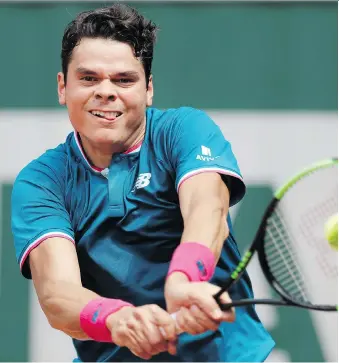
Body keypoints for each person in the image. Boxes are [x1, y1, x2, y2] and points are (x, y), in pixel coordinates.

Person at [11, 3, 275, 362]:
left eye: (124, 79)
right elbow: (58, 293)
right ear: (63, 87)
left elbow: (206, 210)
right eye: (89, 78)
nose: (105, 92)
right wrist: (118, 319)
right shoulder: (42, 181)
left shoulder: (183, 130)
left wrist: (183, 278)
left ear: (148, 89)